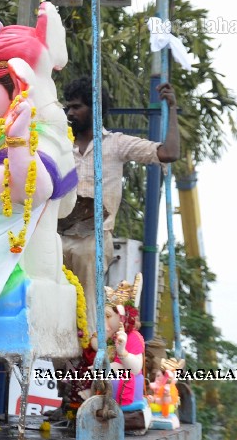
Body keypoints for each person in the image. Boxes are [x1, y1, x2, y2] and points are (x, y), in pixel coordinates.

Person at [58, 76, 180, 332]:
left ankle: (88, 360)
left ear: (94, 109)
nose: (70, 113)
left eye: (76, 107)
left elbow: (169, 153)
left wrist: (172, 109)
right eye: (67, 107)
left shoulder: (116, 144)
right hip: (55, 236)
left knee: (88, 307)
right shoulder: (59, 145)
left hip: (93, 239)